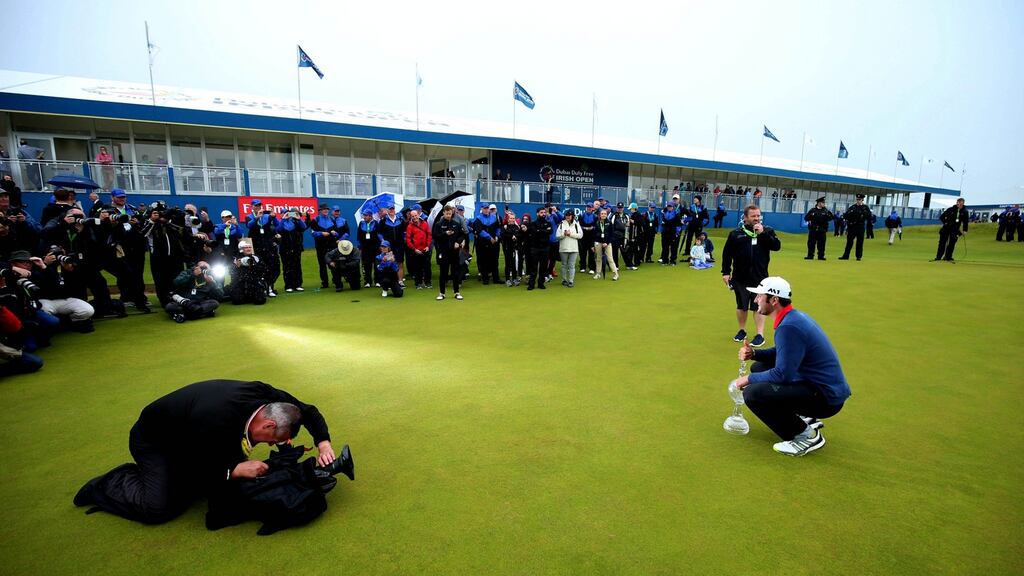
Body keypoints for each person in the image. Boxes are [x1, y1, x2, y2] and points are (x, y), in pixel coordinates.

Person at [73, 379, 342, 525]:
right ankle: (111, 482)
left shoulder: (268, 397)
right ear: (269, 424)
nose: (273, 445)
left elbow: (307, 411)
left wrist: (324, 443)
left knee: (211, 484)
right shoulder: (214, 420)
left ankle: (167, 477)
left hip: (192, 434)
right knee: (159, 508)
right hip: (157, 442)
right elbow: (197, 462)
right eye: (275, 439)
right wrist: (233, 470)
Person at [735, 277, 851, 457]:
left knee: (753, 394)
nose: (756, 300)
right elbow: (785, 352)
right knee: (759, 367)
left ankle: (805, 436)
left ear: (774, 300)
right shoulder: (793, 317)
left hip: (826, 399)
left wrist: (748, 379)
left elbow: (783, 375)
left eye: (760, 296)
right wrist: (754, 354)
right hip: (820, 388)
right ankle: (802, 417)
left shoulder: (789, 326)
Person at [720, 205, 781, 347]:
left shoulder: (767, 231)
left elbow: (776, 246)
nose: (756, 218)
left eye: (758, 215)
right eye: (753, 216)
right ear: (746, 217)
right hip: (740, 277)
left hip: (760, 277)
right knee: (741, 305)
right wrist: (726, 272)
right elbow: (727, 254)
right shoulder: (736, 234)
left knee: (758, 306)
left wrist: (763, 233)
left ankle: (760, 335)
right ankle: (742, 330)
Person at [245, 200, 280, 298]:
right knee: (260, 268)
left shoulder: (267, 216)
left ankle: (270, 287)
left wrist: (274, 216)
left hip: (268, 247)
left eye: (259, 205)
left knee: (272, 268)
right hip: (257, 247)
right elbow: (249, 225)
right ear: (252, 207)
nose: (258, 207)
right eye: (256, 205)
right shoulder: (249, 217)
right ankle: (262, 288)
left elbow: (277, 224)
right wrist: (257, 217)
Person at [435, 205, 467, 300]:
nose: (448, 215)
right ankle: (442, 293)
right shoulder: (439, 224)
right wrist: (445, 233)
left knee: (455, 272)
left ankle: (456, 292)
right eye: (447, 213)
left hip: (454, 252)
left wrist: (458, 242)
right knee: (443, 273)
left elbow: (462, 235)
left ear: (452, 213)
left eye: (450, 213)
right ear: (443, 213)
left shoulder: (456, 224)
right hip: (443, 251)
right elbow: (436, 236)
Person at [308, 204, 340, 290]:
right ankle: (324, 283)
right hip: (320, 245)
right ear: (320, 210)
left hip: (331, 245)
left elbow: (337, 233)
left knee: (333, 263)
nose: (326, 210)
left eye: (327, 209)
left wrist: (334, 233)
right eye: (324, 209)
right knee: (322, 265)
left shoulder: (332, 219)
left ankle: (336, 281)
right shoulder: (315, 220)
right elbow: (313, 233)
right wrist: (321, 233)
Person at [277, 209, 306, 292]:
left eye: (288, 213)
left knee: (297, 266)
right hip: (284, 249)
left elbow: (303, 227)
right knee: (287, 267)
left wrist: (299, 219)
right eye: (284, 213)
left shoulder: (295, 222)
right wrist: (283, 219)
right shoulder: (280, 222)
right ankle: (288, 285)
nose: (287, 214)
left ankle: (298, 284)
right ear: (281, 214)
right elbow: (278, 229)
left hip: (296, 248)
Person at [229, 240, 267, 305]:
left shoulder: (256, 258)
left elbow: (264, 269)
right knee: (237, 301)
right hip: (240, 283)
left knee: (260, 301)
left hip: (254, 282)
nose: (249, 249)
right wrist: (237, 267)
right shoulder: (236, 259)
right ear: (241, 249)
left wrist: (253, 265)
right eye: (246, 247)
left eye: (250, 247)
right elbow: (231, 272)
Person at [472, 204, 502, 285]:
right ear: (482, 209)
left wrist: (497, 235)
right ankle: (485, 279)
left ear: (489, 209)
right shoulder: (478, 219)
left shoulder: (494, 217)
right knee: (484, 261)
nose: (486, 210)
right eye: (484, 208)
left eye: (487, 208)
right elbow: (480, 231)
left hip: (494, 242)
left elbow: (498, 228)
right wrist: (490, 238)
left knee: (494, 261)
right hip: (483, 243)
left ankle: (496, 278)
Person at [526, 206, 554, 290]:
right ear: (537, 213)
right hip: (535, 248)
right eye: (541, 213)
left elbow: (550, 231)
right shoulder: (533, 223)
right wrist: (543, 231)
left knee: (543, 267)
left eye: (544, 212)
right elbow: (534, 232)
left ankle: (541, 283)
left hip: (545, 248)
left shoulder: (548, 223)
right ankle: (531, 284)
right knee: (533, 267)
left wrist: (540, 231)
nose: (543, 214)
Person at [404, 209, 433, 290]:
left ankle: (428, 282)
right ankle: (418, 283)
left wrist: (428, 246)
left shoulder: (424, 223)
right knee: (417, 268)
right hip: (416, 250)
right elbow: (408, 239)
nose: (414, 217)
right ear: (411, 217)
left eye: (415, 215)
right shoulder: (410, 226)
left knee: (427, 267)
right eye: (412, 216)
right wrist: (414, 249)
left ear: (418, 215)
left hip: (425, 249)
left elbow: (429, 235)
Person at [934, 198, 969, 262]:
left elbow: (965, 222)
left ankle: (948, 257)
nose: (958, 204)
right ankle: (938, 257)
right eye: (958, 203)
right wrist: (945, 222)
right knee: (942, 243)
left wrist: (965, 230)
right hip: (946, 228)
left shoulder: (965, 212)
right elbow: (942, 217)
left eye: (960, 203)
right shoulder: (950, 209)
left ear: (963, 203)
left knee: (952, 243)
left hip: (955, 229)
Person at [838, 195, 871, 261]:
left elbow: (869, 216)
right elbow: (846, 215)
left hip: (860, 226)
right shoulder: (852, 207)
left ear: (862, 200)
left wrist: (864, 213)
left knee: (859, 242)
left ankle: (858, 256)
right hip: (852, 226)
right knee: (849, 242)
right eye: (857, 199)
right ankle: (846, 256)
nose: (858, 201)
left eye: (859, 199)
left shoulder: (865, 207)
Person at [557, 209, 583, 287]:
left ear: (572, 216)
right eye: (566, 215)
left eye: (569, 215)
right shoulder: (561, 224)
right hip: (564, 248)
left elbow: (580, 235)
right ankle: (564, 280)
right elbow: (557, 236)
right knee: (564, 265)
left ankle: (571, 281)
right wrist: (564, 234)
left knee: (572, 265)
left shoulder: (576, 224)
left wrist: (570, 234)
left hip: (574, 248)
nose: (568, 217)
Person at [592, 208, 619, 281]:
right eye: (602, 214)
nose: (603, 215)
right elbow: (594, 234)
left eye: (605, 214)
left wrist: (607, 242)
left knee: (610, 259)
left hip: (607, 243)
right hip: (598, 242)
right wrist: (593, 244)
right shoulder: (597, 223)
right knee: (598, 258)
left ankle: (616, 274)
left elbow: (612, 234)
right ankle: (598, 273)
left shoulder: (609, 223)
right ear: (600, 215)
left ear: (607, 215)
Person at [355, 209, 379, 288]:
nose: (364, 217)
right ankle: (368, 281)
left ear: (370, 216)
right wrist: (359, 246)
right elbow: (358, 236)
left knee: (376, 264)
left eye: (366, 215)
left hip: (375, 247)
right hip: (365, 248)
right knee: (366, 264)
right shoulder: (361, 224)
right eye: (364, 215)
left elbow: (378, 235)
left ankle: (377, 281)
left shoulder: (376, 223)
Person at [500, 211, 522, 287]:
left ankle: (514, 278)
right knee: (508, 264)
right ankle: (507, 279)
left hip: (514, 248)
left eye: (513, 218)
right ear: (508, 219)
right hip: (507, 248)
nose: (512, 219)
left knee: (514, 264)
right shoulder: (505, 227)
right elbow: (503, 235)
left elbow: (519, 234)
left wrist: (516, 237)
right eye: (511, 218)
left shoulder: (517, 227)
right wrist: (511, 236)